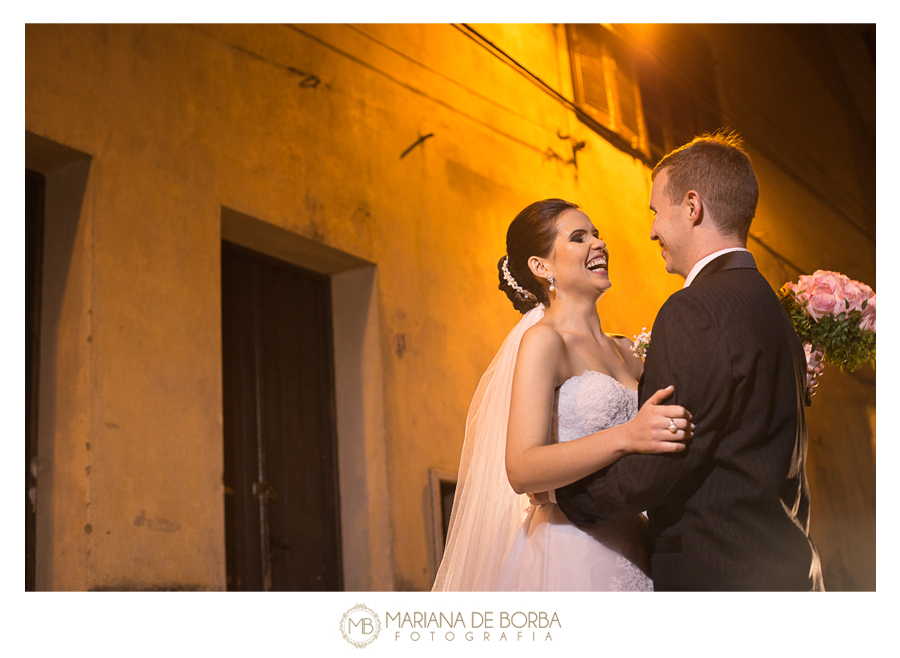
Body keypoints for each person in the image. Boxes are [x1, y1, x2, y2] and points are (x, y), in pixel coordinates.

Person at [553, 132, 825, 591]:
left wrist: (572, 498)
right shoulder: (770, 307)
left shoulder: (693, 309)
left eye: (657, 211)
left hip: (720, 577)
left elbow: (667, 459)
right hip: (788, 570)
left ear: (693, 207)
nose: (653, 229)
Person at [432, 198, 694, 591]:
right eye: (578, 237)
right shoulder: (544, 342)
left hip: (637, 544)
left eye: (597, 234)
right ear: (542, 267)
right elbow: (522, 469)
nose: (598, 244)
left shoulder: (627, 349)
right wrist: (627, 436)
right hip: (574, 551)